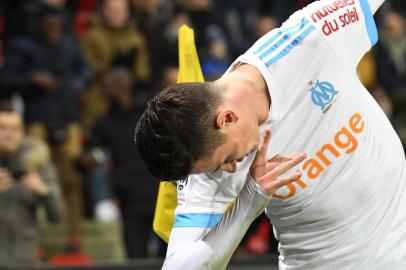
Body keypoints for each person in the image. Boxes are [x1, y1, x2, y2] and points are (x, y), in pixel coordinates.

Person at [135, 0, 406, 269]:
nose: (230, 168)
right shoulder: (209, 173)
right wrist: (248, 201)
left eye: (227, 158)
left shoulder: (310, 38)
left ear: (227, 118)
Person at [81, 68, 159, 258]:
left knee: (169, 257)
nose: (104, 94)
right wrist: (87, 160)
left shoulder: (150, 113)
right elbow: (89, 154)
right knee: (135, 256)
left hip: (160, 193)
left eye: (108, 89)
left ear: (122, 87)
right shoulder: (104, 122)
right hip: (129, 198)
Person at [0, 105, 64, 268]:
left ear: (22, 132)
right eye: (3, 128)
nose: (9, 134)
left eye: (15, 129)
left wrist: (44, 191)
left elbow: (58, 216)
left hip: (23, 260)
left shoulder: (38, 163)